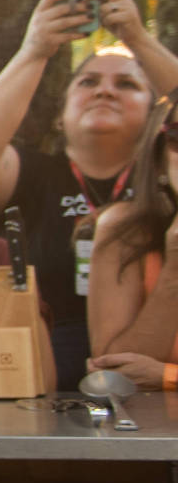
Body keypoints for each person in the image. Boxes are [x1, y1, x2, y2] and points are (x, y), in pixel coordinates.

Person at [0, 0, 178, 389]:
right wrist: (36, 49)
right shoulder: (35, 174)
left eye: (126, 84)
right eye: (88, 82)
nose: (105, 91)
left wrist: (137, 37)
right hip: (44, 367)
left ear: (157, 116)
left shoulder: (168, 183)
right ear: (61, 114)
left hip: (141, 371)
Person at [86, 92, 178, 391]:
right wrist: (173, 274)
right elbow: (114, 374)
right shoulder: (123, 230)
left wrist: (166, 375)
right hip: (146, 432)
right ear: (160, 161)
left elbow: (151, 374)